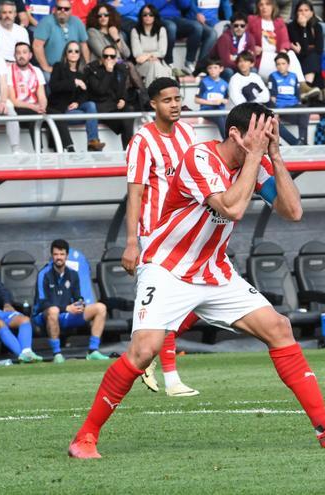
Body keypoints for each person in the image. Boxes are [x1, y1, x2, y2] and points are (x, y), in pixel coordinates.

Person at [68, 102, 325, 459]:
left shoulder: (253, 164)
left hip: (214, 270)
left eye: (270, 134)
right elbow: (232, 207)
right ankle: (85, 437)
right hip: (167, 268)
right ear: (235, 134)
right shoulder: (200, 158)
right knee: (143, 350)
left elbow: (293, 211)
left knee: (279, 327)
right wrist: (258, 157)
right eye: (261, 134)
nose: (266, 140)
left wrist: (273, 154)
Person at [123, 77, 199, 396]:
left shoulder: (188, 133)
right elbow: (135, 192)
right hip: (155, 234)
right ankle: (172, 379)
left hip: (189, 230)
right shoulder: (143, 140)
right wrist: (130, 241)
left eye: (177, 99)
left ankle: (149, 347)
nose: (175, 104)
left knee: (196, 301)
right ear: (153, 104)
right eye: (167, 100)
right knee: (167, 303)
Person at [33, 239, 110, 363]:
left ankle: (93, 351)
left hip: (67, 315)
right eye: (56, 254)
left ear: (67, 256)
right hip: (44, 316)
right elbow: (43, 302)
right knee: (53, 310)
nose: (59, 257)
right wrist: (66, 308)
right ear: (52, 256)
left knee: (100, 307)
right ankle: (57, 354)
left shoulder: (73, 274)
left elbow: (77, 296)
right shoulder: (43, 274)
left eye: (62, 254)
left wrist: (80, 303)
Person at [0, 249, 44, 363]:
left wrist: (7, 303)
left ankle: (27, 352)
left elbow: (3, 291)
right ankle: (22, 355)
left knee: (24, 319)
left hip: (0, 311)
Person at [46, 41, 103, 152]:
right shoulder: (58, 67)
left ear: (80, 54)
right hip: (62, 110)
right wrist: (74, 82)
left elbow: (85, 94)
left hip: (75, 109)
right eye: (70, 51)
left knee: (91, 106)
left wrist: (77, 103)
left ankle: (93, 142)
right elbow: (54, 86)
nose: (73, 53)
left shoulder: (82, 72)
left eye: (76, 51)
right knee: (90, 116)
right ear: (66, 53)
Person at [85, 44, 135, 148]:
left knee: (129, 110)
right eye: (106, 56)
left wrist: (123, 99)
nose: (108, 59)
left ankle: (128, 150)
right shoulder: (92, 69)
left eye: (112, 56)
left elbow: (123, 90)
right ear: (101, 57)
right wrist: (108, 72)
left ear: (116, 58)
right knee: (125, 122)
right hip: (101, 107)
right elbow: (100, 91)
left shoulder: (121, 69)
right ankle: (128, 150)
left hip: (114, 107)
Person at [153, 0, 217, 75]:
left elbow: (185, 6)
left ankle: (190, 61)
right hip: (158, 19)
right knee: (171, 27)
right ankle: (168, 62)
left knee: (196, 27)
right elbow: (151, 8)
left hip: (176, 18)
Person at [8, 42, 49, 149]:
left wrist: (42, 107)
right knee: (33, 117)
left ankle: (68, 149)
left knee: (57, 114)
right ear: (14, 55)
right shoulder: (8, 71)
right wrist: (35, 107)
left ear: (30, 55)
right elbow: (13, 100)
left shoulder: (36, 70)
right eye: (18, 53)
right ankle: (39, 152)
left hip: (36, 106)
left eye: (24, 52)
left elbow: (42, 96)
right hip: (19, 108)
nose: (21, 55)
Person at [33, 0, 89, 76]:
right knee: (48, 78)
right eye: (59, 8)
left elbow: (84, 45)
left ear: (71, 10)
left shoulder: (77, 22)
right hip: (52, 68)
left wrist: (87, 65)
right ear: (55, 9)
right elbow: (37, 45)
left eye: (66, 9)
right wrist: (45, 67)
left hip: (74, 68)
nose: (62, 10)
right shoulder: (46, 22)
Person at [268, 52, 309, 145]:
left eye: (283, 64)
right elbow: (273, 97)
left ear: (288, 64)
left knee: (305, 111)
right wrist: (275, 112)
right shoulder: (273, 76)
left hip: (294, 107)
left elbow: (297, 95)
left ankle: (302, 140)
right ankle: (297, 143)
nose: (281, 66)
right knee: (275, 123)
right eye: (278, 64)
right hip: (281, 109)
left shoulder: (293, 76)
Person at [244, 0, 291, 79]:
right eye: (261, 5)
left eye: (267, 4)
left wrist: (283, 51)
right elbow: (244, 38)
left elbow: (285, 40)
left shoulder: (279, 21)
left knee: (291, 55)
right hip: (262, 56)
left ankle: (302, 83)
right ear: (258, 7)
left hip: (277, 55)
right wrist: (253, 47)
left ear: (273, 6)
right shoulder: (252, 20)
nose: (264, 7)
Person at [130, 4, 172, 86]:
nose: (148, 17)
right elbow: (137, 54)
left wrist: (146, 56)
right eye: (145, 14)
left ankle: (150, 92)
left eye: (151, 14)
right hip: (142, 66)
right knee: (154, 66)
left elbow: (162, 52)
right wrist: (152, 56)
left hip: (159, 62)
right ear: (141, 16)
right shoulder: (135, 31)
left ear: (155, 16)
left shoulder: (161, 30)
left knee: (155, 65)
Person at [287, 0, 323, 90]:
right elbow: (300, 50)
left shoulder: (317, 27)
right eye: (300, 10)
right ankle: (308, 89)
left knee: (313, 57)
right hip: (297, 58)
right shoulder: (291, 27)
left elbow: (319, 49)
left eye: (306, 10)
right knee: (313, 58)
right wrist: (303, 28)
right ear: (296, 13)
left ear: (312, 12)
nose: (303, 13)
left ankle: (307, 86)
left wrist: (305, 49)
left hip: (311, 58)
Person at [196, 58, 229, 138]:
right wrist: (213, 102)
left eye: (215, 67)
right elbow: (196, 100)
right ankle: (227, 141)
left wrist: (223, 101)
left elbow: (226, 99)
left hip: (220, 111)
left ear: (221, 69)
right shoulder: (203, 82)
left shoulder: (224, 83)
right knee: (219, 118)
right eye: (210, 68)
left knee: (231, 118)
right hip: (207, 110)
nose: (212, 70)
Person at [211, 12, 247, 77]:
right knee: (228, 71)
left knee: (253, 70)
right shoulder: (224, 38)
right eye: (236, 25)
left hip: (237, 66)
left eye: (242, 26)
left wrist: (235, 59)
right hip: (219, 68)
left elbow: (252, 58)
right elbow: (225, 62)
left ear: (246, 26)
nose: (239, 28)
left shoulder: (249, 37)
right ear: (231, 25)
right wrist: (242, 64)